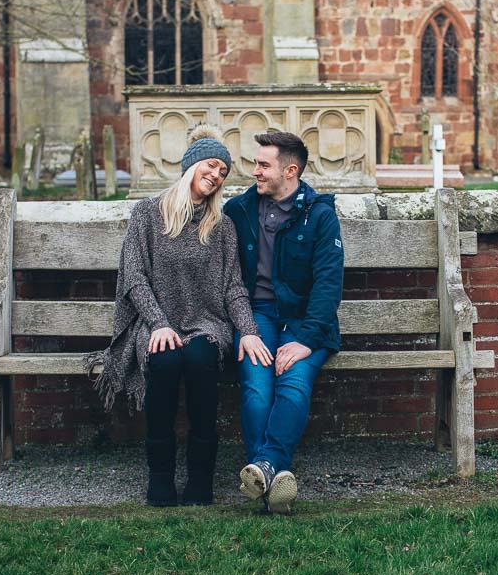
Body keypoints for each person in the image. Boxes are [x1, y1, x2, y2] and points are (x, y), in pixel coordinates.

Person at [84, 124, 271, 507]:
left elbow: (233, 287)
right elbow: (134, 277)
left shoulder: (222, 226)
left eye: (223, 171)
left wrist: (249, 330)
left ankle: (200, 480)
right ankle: (161, 478)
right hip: (157, 324)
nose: (216, 175)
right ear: (191, 164)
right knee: (165, 361)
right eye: (211, 165)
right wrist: (159, 324)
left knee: (201, 361)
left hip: (207, 324)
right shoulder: (148, 213)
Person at [224, 131, 344, 514]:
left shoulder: (319, 215)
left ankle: (263, 468)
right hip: (256, 316)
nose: (255, 171)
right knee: (256, 388)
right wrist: (246, 329)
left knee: (292, 380)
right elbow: (226, 278)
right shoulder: (238, 211)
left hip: (305, 322)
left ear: (290, 171)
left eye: (264, 165)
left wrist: (306, 339)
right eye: (255, 163)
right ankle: (274, 478)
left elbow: (328, 283)